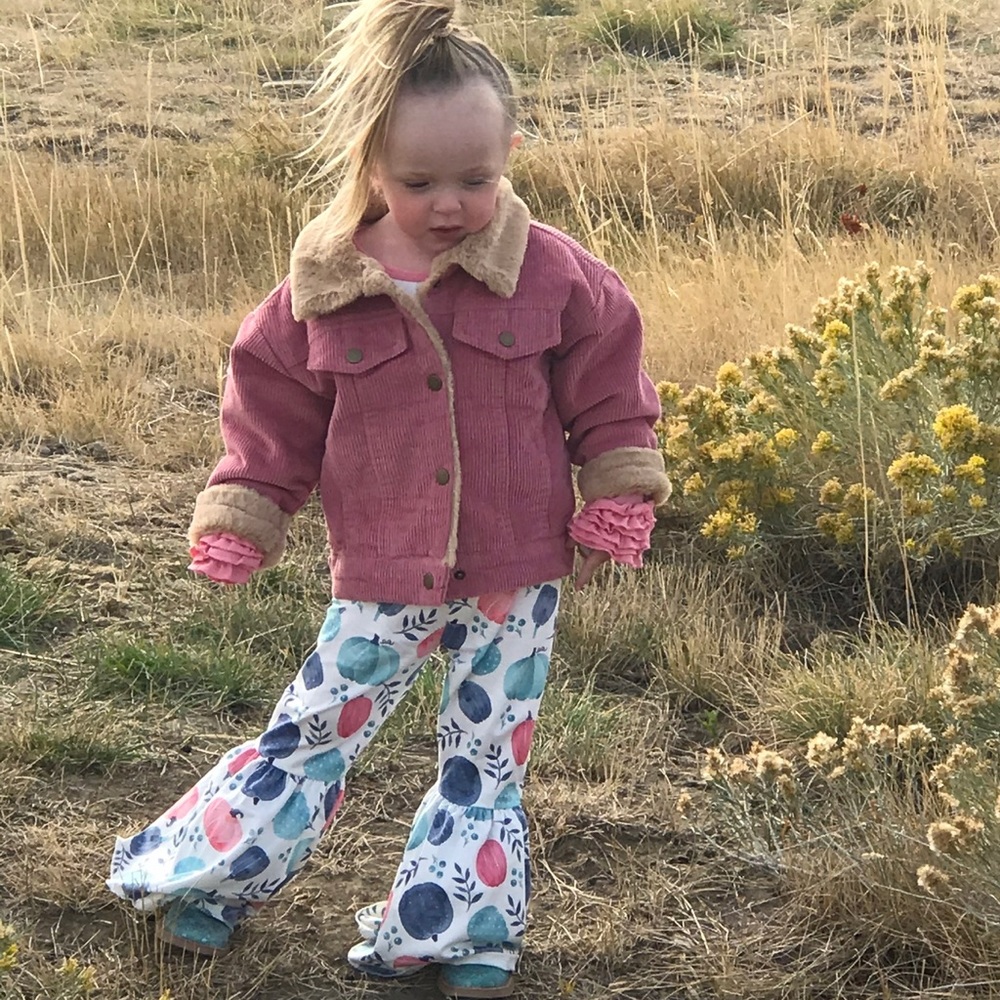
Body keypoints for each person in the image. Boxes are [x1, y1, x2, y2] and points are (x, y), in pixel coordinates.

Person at [106, 0, 671, 996]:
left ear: (511, 153)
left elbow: (609, 389)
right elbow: (269, 415)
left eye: (476, 179)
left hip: (516, 573)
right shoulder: (320, 292)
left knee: (487, 755)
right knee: (315, 727)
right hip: (382, 573)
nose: (448, 203)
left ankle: (459, 934)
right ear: (371, 163)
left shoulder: (554, 276)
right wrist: (244, 505)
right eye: (418, 182)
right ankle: (208, 878)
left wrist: (617, 488)